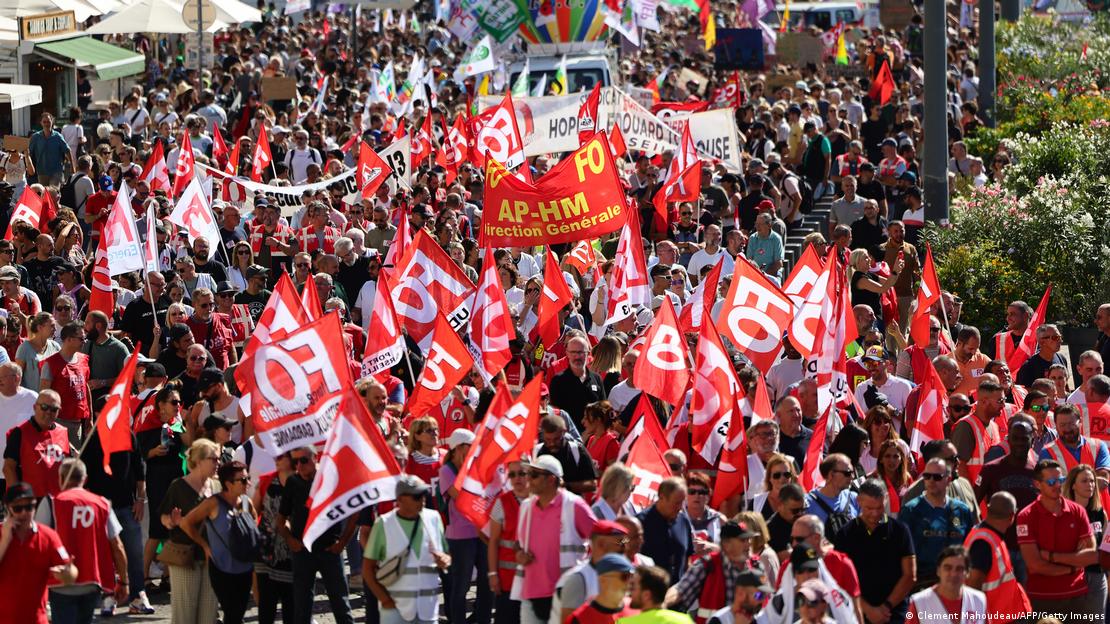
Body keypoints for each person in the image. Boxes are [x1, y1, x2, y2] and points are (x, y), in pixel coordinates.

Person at [276, 446, 358, 624]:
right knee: (302, 609)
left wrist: (342, 543)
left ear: (315, 457)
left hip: (331, 551)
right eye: (295, 461)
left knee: (341, 606)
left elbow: (355, 513)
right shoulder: (293, 482)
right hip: (303, 551)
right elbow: (281, 519)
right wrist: (290, 540)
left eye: (304, 460)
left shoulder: (331, 478)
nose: (299, 465)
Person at [513, 455, 596, 624]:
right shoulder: (526, 507)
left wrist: (625, 544)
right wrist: (519, 555)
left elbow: (606, 538)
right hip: (531, 594)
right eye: (528, 473)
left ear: (551, 479)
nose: (528, 478)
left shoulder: (574, 505)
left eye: (534, 475)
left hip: (565, 595)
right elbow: (518, 544)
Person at [364, 474, 450, 624]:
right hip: (395, 610)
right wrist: (384, 600)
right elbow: (367, 569)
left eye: (424, 494)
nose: (423, 499)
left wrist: (445, 559)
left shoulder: (434, 518)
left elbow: (446, 554)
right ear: (400, 499)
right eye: (417, 496)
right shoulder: (383, 524)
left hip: (428, 609)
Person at [178, 460, 256, 624]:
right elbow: (186, 523)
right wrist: (205, 546)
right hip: (221, 567)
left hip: (245, 567)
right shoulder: (213, 503)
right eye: (242, 480)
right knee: (232, 613)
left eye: (247, 478)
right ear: (228, 483)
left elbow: (255, 524)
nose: (247, 483)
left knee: (237, 614)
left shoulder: (246, 502)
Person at [1016, 459, 1098, 615]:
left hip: (1077, 596)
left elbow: (1092, 556)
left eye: (1061, 480)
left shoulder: (1077, 511)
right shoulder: (1026, 516)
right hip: (1041, 599)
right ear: (1037, 484)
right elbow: (1035, 565)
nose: (1058, 485)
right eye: (1052, 482)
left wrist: (1052, 556)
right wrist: (1073, 566)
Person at [831, 479, 916, 624]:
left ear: (886, 500)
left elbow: (910, 575)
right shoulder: (845, 534)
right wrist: (868, 610)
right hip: (858, 613)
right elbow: (840, 579)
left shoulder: (900, 531)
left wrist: (886, 606)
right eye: (869, 508)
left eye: (879, 508)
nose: (875, 514)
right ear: (859, 501)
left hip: (895, 613)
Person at [158, 439, 221, 624]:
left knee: (209, 615)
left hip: (212, 558)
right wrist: (171, 522)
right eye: (214, 459)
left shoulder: (217, 486)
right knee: (185, 615)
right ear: (200, 461)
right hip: (185, 556)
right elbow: (163, 516)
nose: (218, 463)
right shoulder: (178, 486)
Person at [0, 481, 79, 623]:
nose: (25, 512)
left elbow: (70, 573)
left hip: (36, 619)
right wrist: (5, 540)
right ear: (9, 508)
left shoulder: (48, 536)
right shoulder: (2, 534)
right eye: (18, 508)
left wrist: (67, 573)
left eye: (29, 507)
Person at [897, 457, 974, 587]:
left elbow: (970, 550)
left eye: (937, 477)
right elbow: (900, 552)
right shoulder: (910, 511)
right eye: (927, 476)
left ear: (948, 480)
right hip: (922, 585)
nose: (931, 481)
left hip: (956, 584)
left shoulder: (962, 510)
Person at [666, 520, 762, 623]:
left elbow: (763, 596)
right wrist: (662, 603)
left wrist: (755, 596)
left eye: (748, 539)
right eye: (742, 540)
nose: (748, 545)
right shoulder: (707, 565)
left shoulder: (756, 566)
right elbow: (681, 590)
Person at [963, 491, 1032, 619]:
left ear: (988, 509)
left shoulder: (986, 535)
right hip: (993, 618)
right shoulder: (983, 542)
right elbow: (973, 585)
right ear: (1012, 516)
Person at [553, 519, 632, 623]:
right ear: (601, 544)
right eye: (621, 543)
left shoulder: (627, 571)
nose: (626, 548)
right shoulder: (577, 579)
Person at [3, 389, 70, 498]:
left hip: (56, 499)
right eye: (44, 407)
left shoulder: (63, 432)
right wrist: (18, 499)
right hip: (30, 499)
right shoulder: (20, 432)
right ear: (35, 407)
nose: (48, 412)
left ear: (59, 411)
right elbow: (8, 468)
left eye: (53, 409)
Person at [487, 460, 532, 624]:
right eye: (512, 474)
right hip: (508, 580)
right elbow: (493, 541)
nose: (517, 478)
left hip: (535, 579)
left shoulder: (540, 500)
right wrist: (493, 574)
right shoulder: (502, 502)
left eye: (522, 473)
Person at [38, 323, 90, 448]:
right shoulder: (51, 364)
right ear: (69, 339)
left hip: (78, 423)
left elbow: (85, 387)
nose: (84, 342)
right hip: (57, 422)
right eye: (81, 339)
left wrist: (90, 418)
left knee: (73, 462)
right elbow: (44, 395)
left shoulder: (83, 360)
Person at [906, 546, 987, 620]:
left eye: (959, 569)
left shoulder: (979, 600)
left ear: (968, 572)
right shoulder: (919, 602)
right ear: (938, 571)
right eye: (948, 568)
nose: (953, 574)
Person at [638, 477, 694, 583]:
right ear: (662, 497)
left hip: (676, 595)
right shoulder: (641, 524)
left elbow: (687, 561)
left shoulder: (684, 521)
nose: (680, 507)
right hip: (649, 595)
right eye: (677, 503)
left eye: (683, 502)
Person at [566, 554, 639, 624]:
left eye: (631, 576)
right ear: (603, 580)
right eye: (625, 577)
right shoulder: (579, 619)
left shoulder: (638, 609)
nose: (630, 582)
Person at [620, 565, 693, 624]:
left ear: (646, 595)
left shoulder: (625, 622)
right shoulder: (685, 621)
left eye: (633, 587)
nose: (629, 592)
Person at [703, 569, 774, 624]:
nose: (762, 600)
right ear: (741, 594)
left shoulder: (762, 619)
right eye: (759, 595)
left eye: (765, 595)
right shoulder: (719, 620)